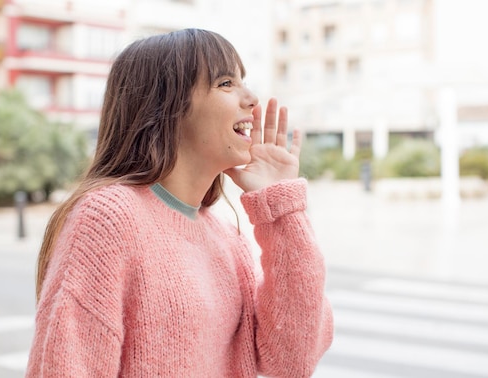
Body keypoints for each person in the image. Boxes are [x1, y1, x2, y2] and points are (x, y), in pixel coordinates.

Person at [25, 28, 333, 377]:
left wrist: (281, 208)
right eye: (226, 83)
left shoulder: (225, 237)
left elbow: (293, 361)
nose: (252, 99)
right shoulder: (108, 218)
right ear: (168, 106)